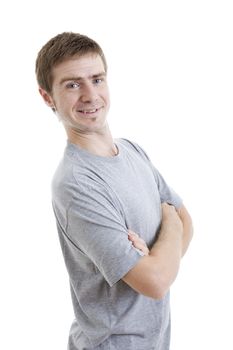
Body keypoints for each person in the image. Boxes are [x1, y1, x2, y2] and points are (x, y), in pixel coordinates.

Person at [36, 32, 193, 350]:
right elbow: (156, 281)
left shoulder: (133, 151)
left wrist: (159, 252)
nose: (90, 95)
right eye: (72, 84)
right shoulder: (76, 184)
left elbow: (186, 221)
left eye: (97, 79)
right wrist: (167, 234)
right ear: (47, 97)